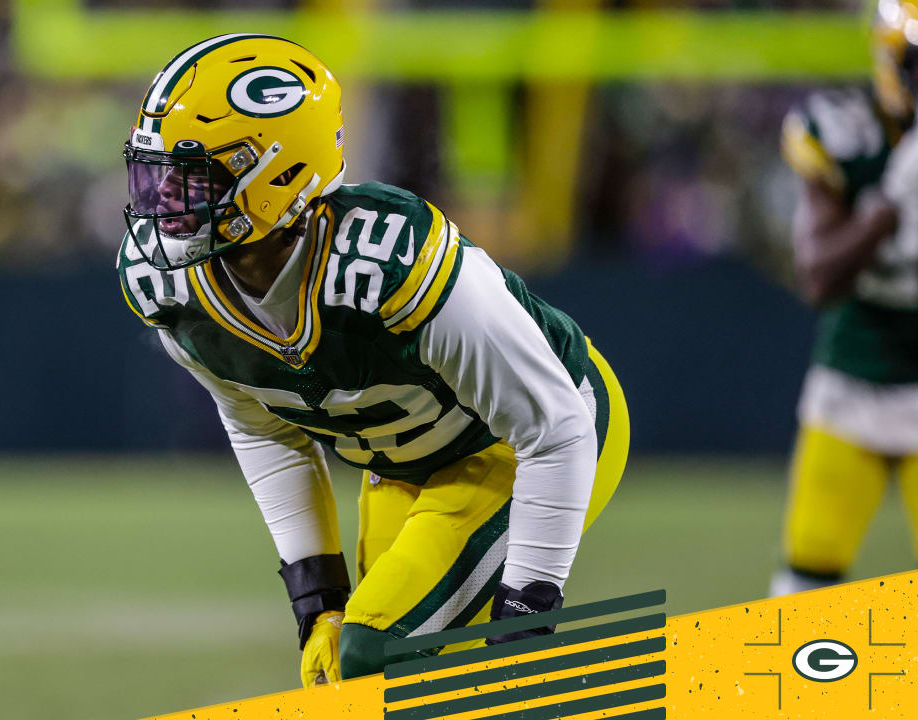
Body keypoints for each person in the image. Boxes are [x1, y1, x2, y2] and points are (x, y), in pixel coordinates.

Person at [117, 34, 629, 685]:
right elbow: (263, 429)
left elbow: (554, 426)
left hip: (532, 433)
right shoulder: (171, 290)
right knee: (341, 668)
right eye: (157, 174)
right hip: (403, 462)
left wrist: (527, 616)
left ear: (277, 171)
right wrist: (316, 601)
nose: (166, 203)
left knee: (373, 657)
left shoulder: (389, 261)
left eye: (194, 177)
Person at [772, 0, 918, 596]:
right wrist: (886, 208)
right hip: (853, 374)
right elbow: (817, 277)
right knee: (808, 570)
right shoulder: (843, 128)